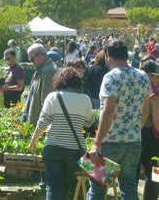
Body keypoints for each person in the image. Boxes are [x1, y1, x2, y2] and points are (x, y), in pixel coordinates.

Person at [88, 40, 150, 200]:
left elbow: (108, 112)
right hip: (133, 141)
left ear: (108, 56)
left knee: (98, 188)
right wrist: (136, 128)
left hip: (110, 142)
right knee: (129, 189)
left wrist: (97, 142)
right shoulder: (143, 76)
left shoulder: (111, 77)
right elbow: (146, 109)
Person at [29, 67, 94, 200]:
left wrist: (33, 142)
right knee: (65, 188)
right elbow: (89, 122)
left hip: (52, 147)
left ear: (59, 81)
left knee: (53, 187)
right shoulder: (85, 99)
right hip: (74, 150)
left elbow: (42, 123)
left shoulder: (53, 97)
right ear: (77, 81)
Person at [138, 60, 159, 200]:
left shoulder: (136, 88)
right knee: (154, 176)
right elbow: (157, 123)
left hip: (134, 135)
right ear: (150, 75)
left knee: (131, 178)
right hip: (151, 138)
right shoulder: (154, 94)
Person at [22, 43, 57, 125]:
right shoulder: (42, 69)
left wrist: (42, 127)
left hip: (40, 124)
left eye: (32, 59)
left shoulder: (49, 71)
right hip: (35, 121)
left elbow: (47, 102)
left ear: (41, 55)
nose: (31, 62)